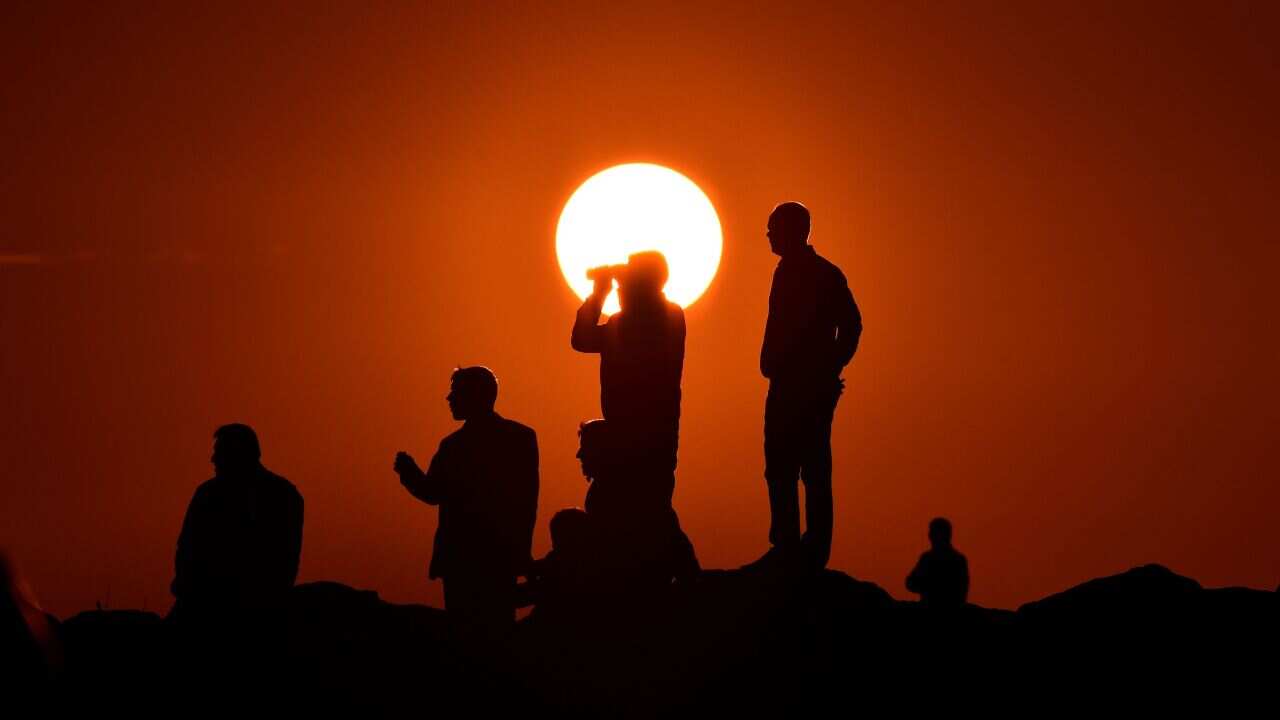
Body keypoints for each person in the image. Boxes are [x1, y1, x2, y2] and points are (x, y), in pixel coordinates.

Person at [394, 366, 539, 639]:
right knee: (495, 633)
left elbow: (433, 493)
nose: (449, 398)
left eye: (456, 392)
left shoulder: (454, 446)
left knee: (467, 634)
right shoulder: (520, 438)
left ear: (475, 395)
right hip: (498, 555)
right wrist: (521, 552)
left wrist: (408, 473)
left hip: (466, 557)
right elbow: (527, 502)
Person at [759, 201, 862, 571]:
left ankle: (813, 551)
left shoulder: (824, 274)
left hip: (809, 389)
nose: (768, 234)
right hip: (784, 384)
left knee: (813, 467)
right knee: (779, 465)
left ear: (793, 229)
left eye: (773, 227)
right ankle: (786, 544)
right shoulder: (784, 272)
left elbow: (851, 325)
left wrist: (829, 368)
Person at [170, 423, 304, 623]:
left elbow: (282, 561)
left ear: (239, 454)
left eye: (220, 453)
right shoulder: (208, 494)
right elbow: (187, 549)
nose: (213, 459)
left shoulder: (282, 496)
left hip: (245, 608)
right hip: (204, 601)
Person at [571, 251, 685, 473]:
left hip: (644, 440)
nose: (621, 286)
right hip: (644, 434)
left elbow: (582, 339)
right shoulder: (663, 315)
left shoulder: (662, 316)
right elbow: (582, 340)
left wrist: (599, 294)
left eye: (630, 276)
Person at [906, 517, 969, 607]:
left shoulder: (928, 559)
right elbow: (910, 583)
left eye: (933, 532)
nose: (930, 535)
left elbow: (960, 591)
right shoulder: (958, 559)